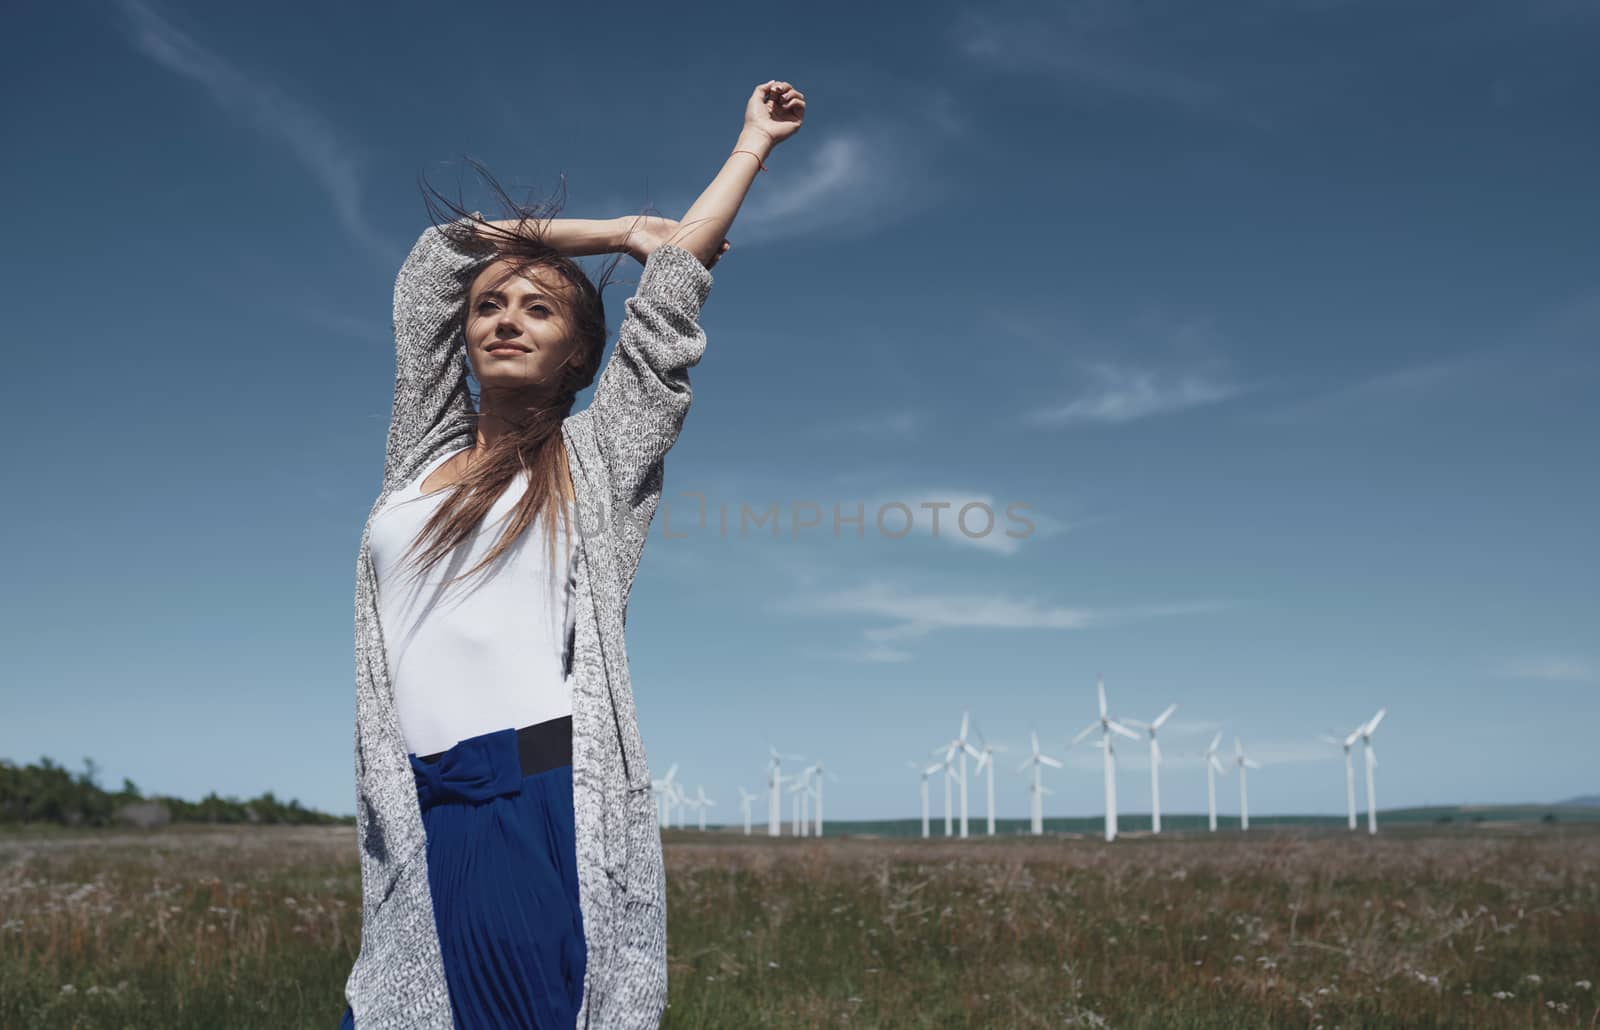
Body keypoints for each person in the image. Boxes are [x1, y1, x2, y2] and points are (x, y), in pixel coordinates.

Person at [339, 80, 806, 1028]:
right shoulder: (416, 460)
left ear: (577, 355)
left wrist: (751, 145)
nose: (506, 317)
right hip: (410, 802)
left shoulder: (591, 459)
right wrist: (618, 229)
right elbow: (439, 256)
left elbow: (672, 296)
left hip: (538, 795)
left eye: (540, 310)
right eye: (491, 307)